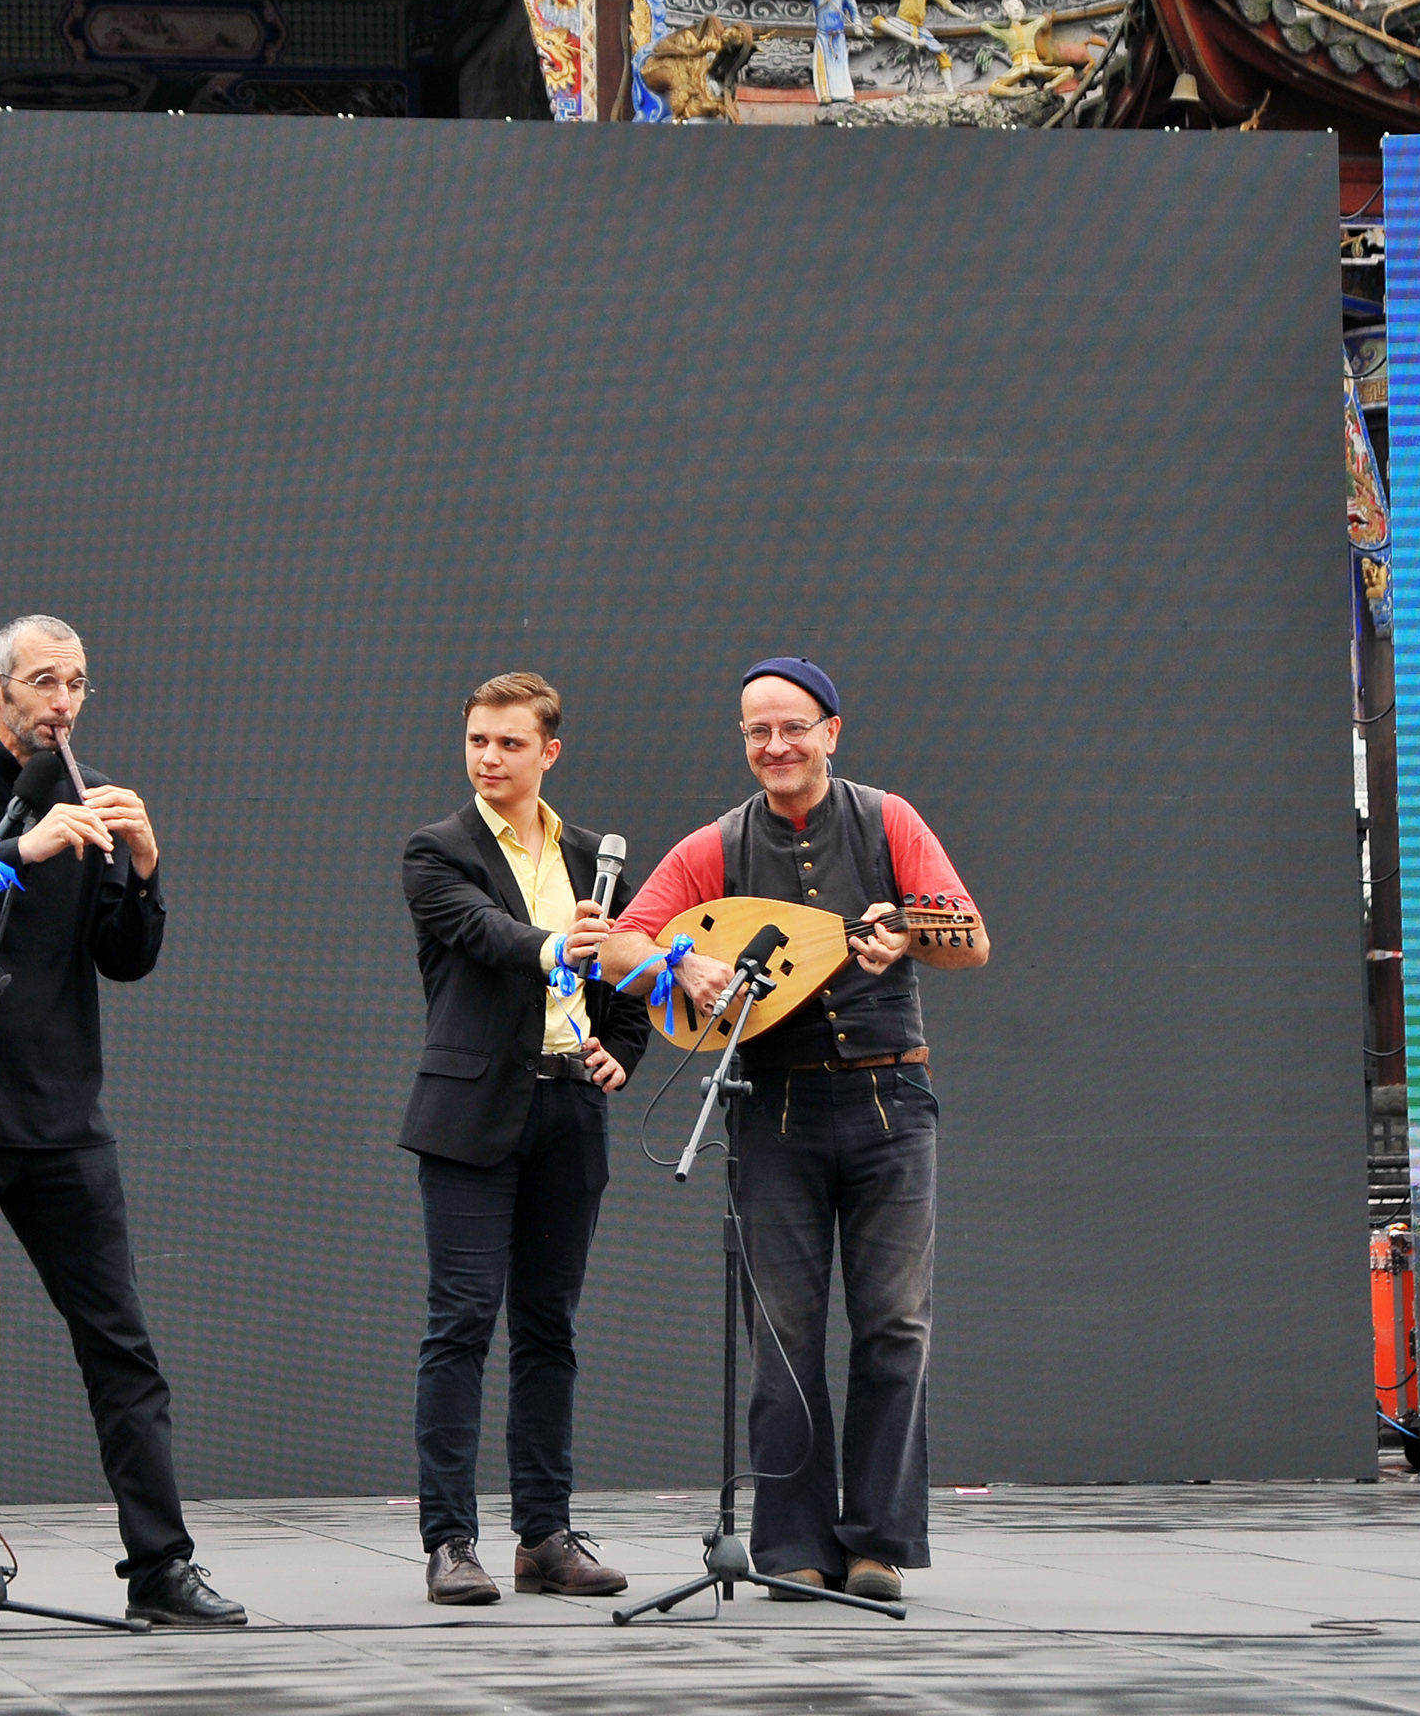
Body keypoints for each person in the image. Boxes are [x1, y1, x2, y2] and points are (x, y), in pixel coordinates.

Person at [0, 614, 244, 1630]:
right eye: (43, 682)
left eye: (75, 683)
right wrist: (15, 850)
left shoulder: (94, 792)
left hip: (63, 1116)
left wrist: (146, 868)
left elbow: (124, 957)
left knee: (122, 1347)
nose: (62, 702)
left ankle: (161, 1563)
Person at [598, 657, 988, 1606]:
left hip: (891, 1102)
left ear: (831, 732)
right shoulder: (718, 845)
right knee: (782, 1335)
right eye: (757, 732)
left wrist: (908, 934)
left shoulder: (889, 821)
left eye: (792, 728)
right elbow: (618, 945)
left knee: (894, 1326)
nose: (775, 746)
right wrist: (680, 968)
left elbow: (970, 937)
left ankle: (878, 1544)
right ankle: (792, 1548)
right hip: (771, 1107)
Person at [398, 673, 652, 1606]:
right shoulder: (438, 850)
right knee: (461, 1322)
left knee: (550, 1328)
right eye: (477, 740)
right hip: (471, 1115)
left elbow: (631, 968)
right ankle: (449, 1540)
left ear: (550, 752)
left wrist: (622, 1049)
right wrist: (559, 944)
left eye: (509, 743)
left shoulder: (593, 858)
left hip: (569, 1110)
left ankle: (545, 1536)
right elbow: (486, 934)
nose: (489, 758)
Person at [794, 0, 860, 105]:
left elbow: (853, 11)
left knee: (841, 66)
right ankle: (825, 93)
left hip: (839, 36)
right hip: (823, 36)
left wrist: (858, 25)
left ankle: (845, 92)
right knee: (824, 66)